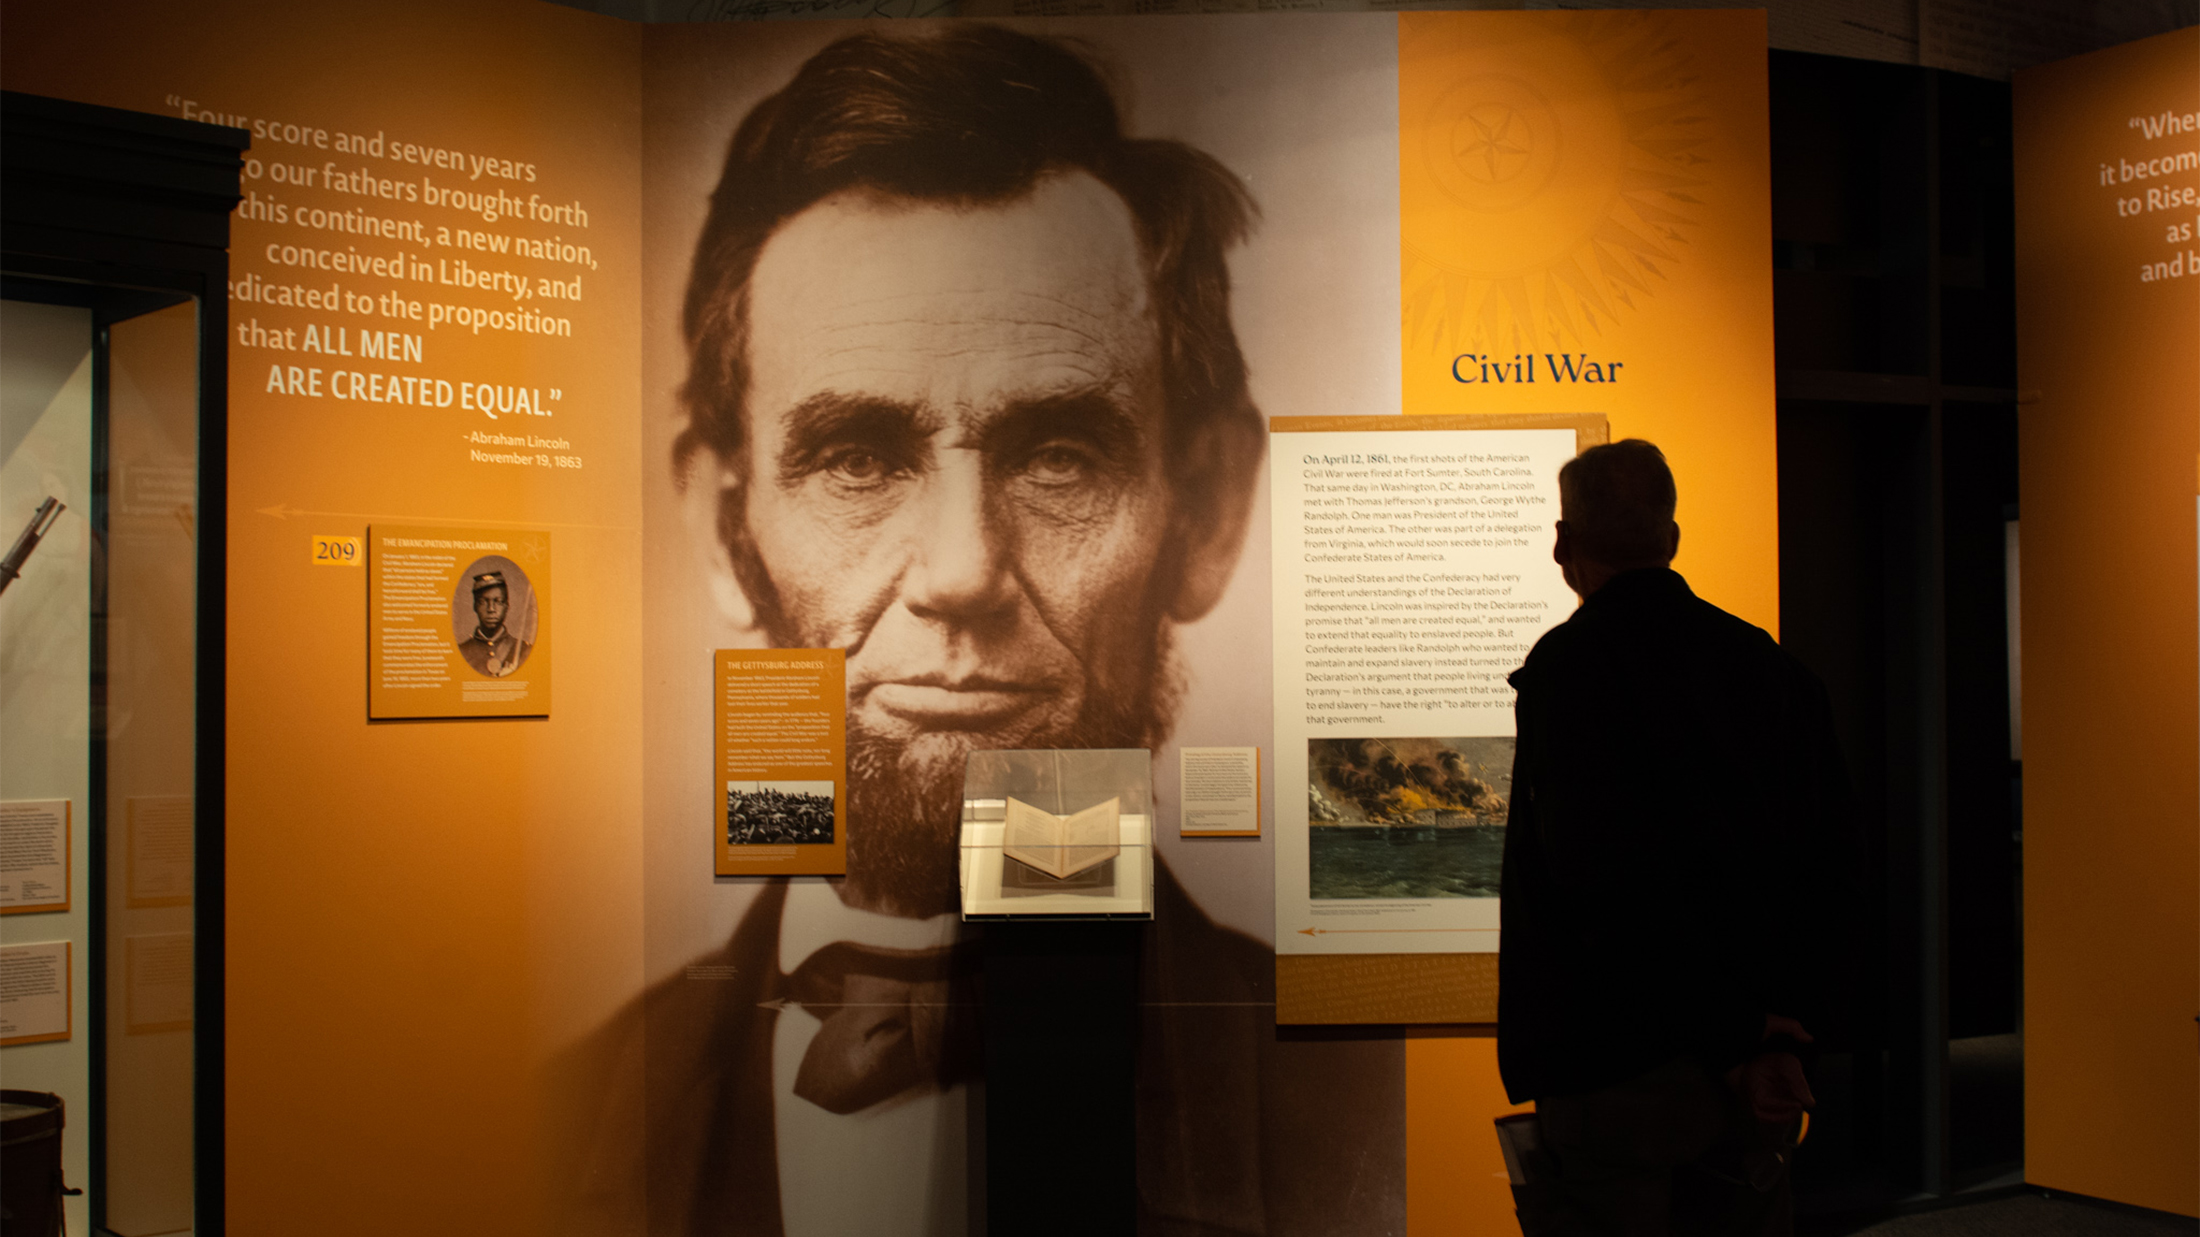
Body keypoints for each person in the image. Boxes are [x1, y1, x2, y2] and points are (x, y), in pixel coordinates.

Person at [548, 26, 1401, 1237]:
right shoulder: (563, 1112)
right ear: (721, 523)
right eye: (856, 458)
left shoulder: (1358, 1102)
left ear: (1204, 514)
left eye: (1059, 454)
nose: (961, 573)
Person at [1498, 439, 1854, 1236]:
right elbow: (1828, 869)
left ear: (1563, 544)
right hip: (1755, 1060)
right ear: (1673, 537)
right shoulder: (1771, 670)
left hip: (1613, 1062)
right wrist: (1778, 1035)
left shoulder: (1568, 673)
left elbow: (1599, 885)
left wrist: (1726, 1036)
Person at [456, 570, 529, 677]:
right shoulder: (462, 652)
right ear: (475, 606)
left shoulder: (524, 650)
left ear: (507, 606)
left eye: (498, 601)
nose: (491, 609)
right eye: (483, 602)